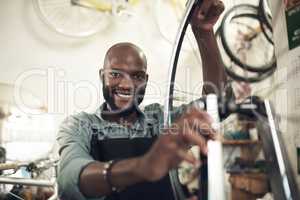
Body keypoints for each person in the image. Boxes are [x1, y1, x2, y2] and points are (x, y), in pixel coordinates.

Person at [57, 1, 227, 199]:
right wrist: (143, 166)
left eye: (137, 76)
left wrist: (204, 32)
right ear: (102, 75)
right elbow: (69, 179)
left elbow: (217, 102)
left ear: (145, 81)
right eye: (115, 74)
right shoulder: (80, 125)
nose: (127, 85)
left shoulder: (161, 120)